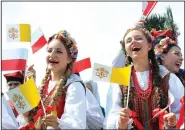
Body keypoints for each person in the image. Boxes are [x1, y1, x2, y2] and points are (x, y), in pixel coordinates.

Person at [104, 25, 184, 129]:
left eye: (139, 38)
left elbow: (181, 110)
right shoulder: (120, 77)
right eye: (128, 41)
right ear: (126, 52)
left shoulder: (166, 76)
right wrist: (120, 123)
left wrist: (173, 122)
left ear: (150, 46)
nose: (133, 42)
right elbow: (111, 115)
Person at [20, 30, 86, 129]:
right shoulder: (42, 85)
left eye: (59, 51)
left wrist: (58, 124)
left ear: (69, 59)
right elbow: (25, 116)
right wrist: (28, 86)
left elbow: (77, 124)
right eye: (49, 50)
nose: (52, 54)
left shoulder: (74, 85)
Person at [136, 7, 185, 87]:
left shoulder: (183, 76)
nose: (181, 58)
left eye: (181, 55)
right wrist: (134, 32)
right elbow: (116, 69)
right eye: (176, 54)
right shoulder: (144, 76)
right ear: (161, 55)